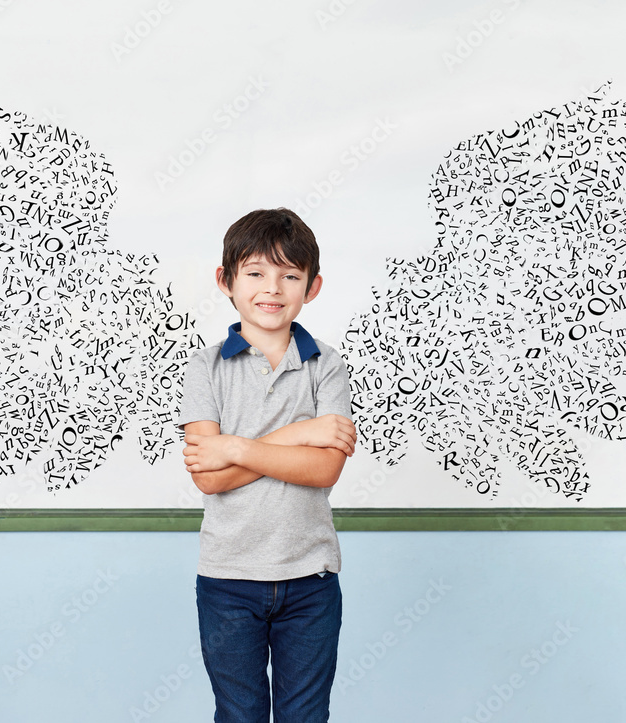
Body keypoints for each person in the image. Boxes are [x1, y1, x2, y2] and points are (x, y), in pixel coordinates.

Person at [178, 207, 357, 722]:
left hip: (311, 580)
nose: (272, 288)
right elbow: (207, 474)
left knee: (306, 717)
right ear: (226, 281)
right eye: (255, 273)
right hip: (228, 579)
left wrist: (234, 446)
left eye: (290, 275)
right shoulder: (205, 365)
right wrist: (301, 434)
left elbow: (324, 471)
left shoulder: (326, 364)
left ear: (312, 287)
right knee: (240, 715)